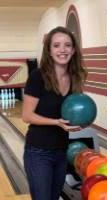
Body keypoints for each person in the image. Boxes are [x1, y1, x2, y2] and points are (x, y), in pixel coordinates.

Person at [22, 26, 87, 200]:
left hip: (61, 150)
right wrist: (56, 122)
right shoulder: (38, 76)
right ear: (49, 51)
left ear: (73, 50)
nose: (62, 50)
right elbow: (27, 116)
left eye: (67, 45)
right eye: (56, 45)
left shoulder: (75, 78)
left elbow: (74, 111)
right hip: (38, 152)